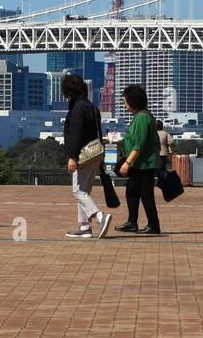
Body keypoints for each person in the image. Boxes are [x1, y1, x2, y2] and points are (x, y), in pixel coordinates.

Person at [62, 73, 112, 239]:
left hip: (82, 154)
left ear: (69, 90)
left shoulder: (78, 107)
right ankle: (84, 227)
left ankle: (99, 216)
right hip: (95, 153)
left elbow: (75, 133)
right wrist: (102, 153)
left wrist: (72, 156)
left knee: (78, 191)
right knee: (84, 191)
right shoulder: (91, 106)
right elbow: (99, 131)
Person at [115, 85, 161, 235]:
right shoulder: (141, 116)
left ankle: (153, 225)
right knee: (132, 192)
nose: (124, 104)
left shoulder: (142, 117)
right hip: (139, 164)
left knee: (146, 195)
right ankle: (132, 222)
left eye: (125, 101)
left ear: (132, 101)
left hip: (143, 164)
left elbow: (139, 144)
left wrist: (127, 163)